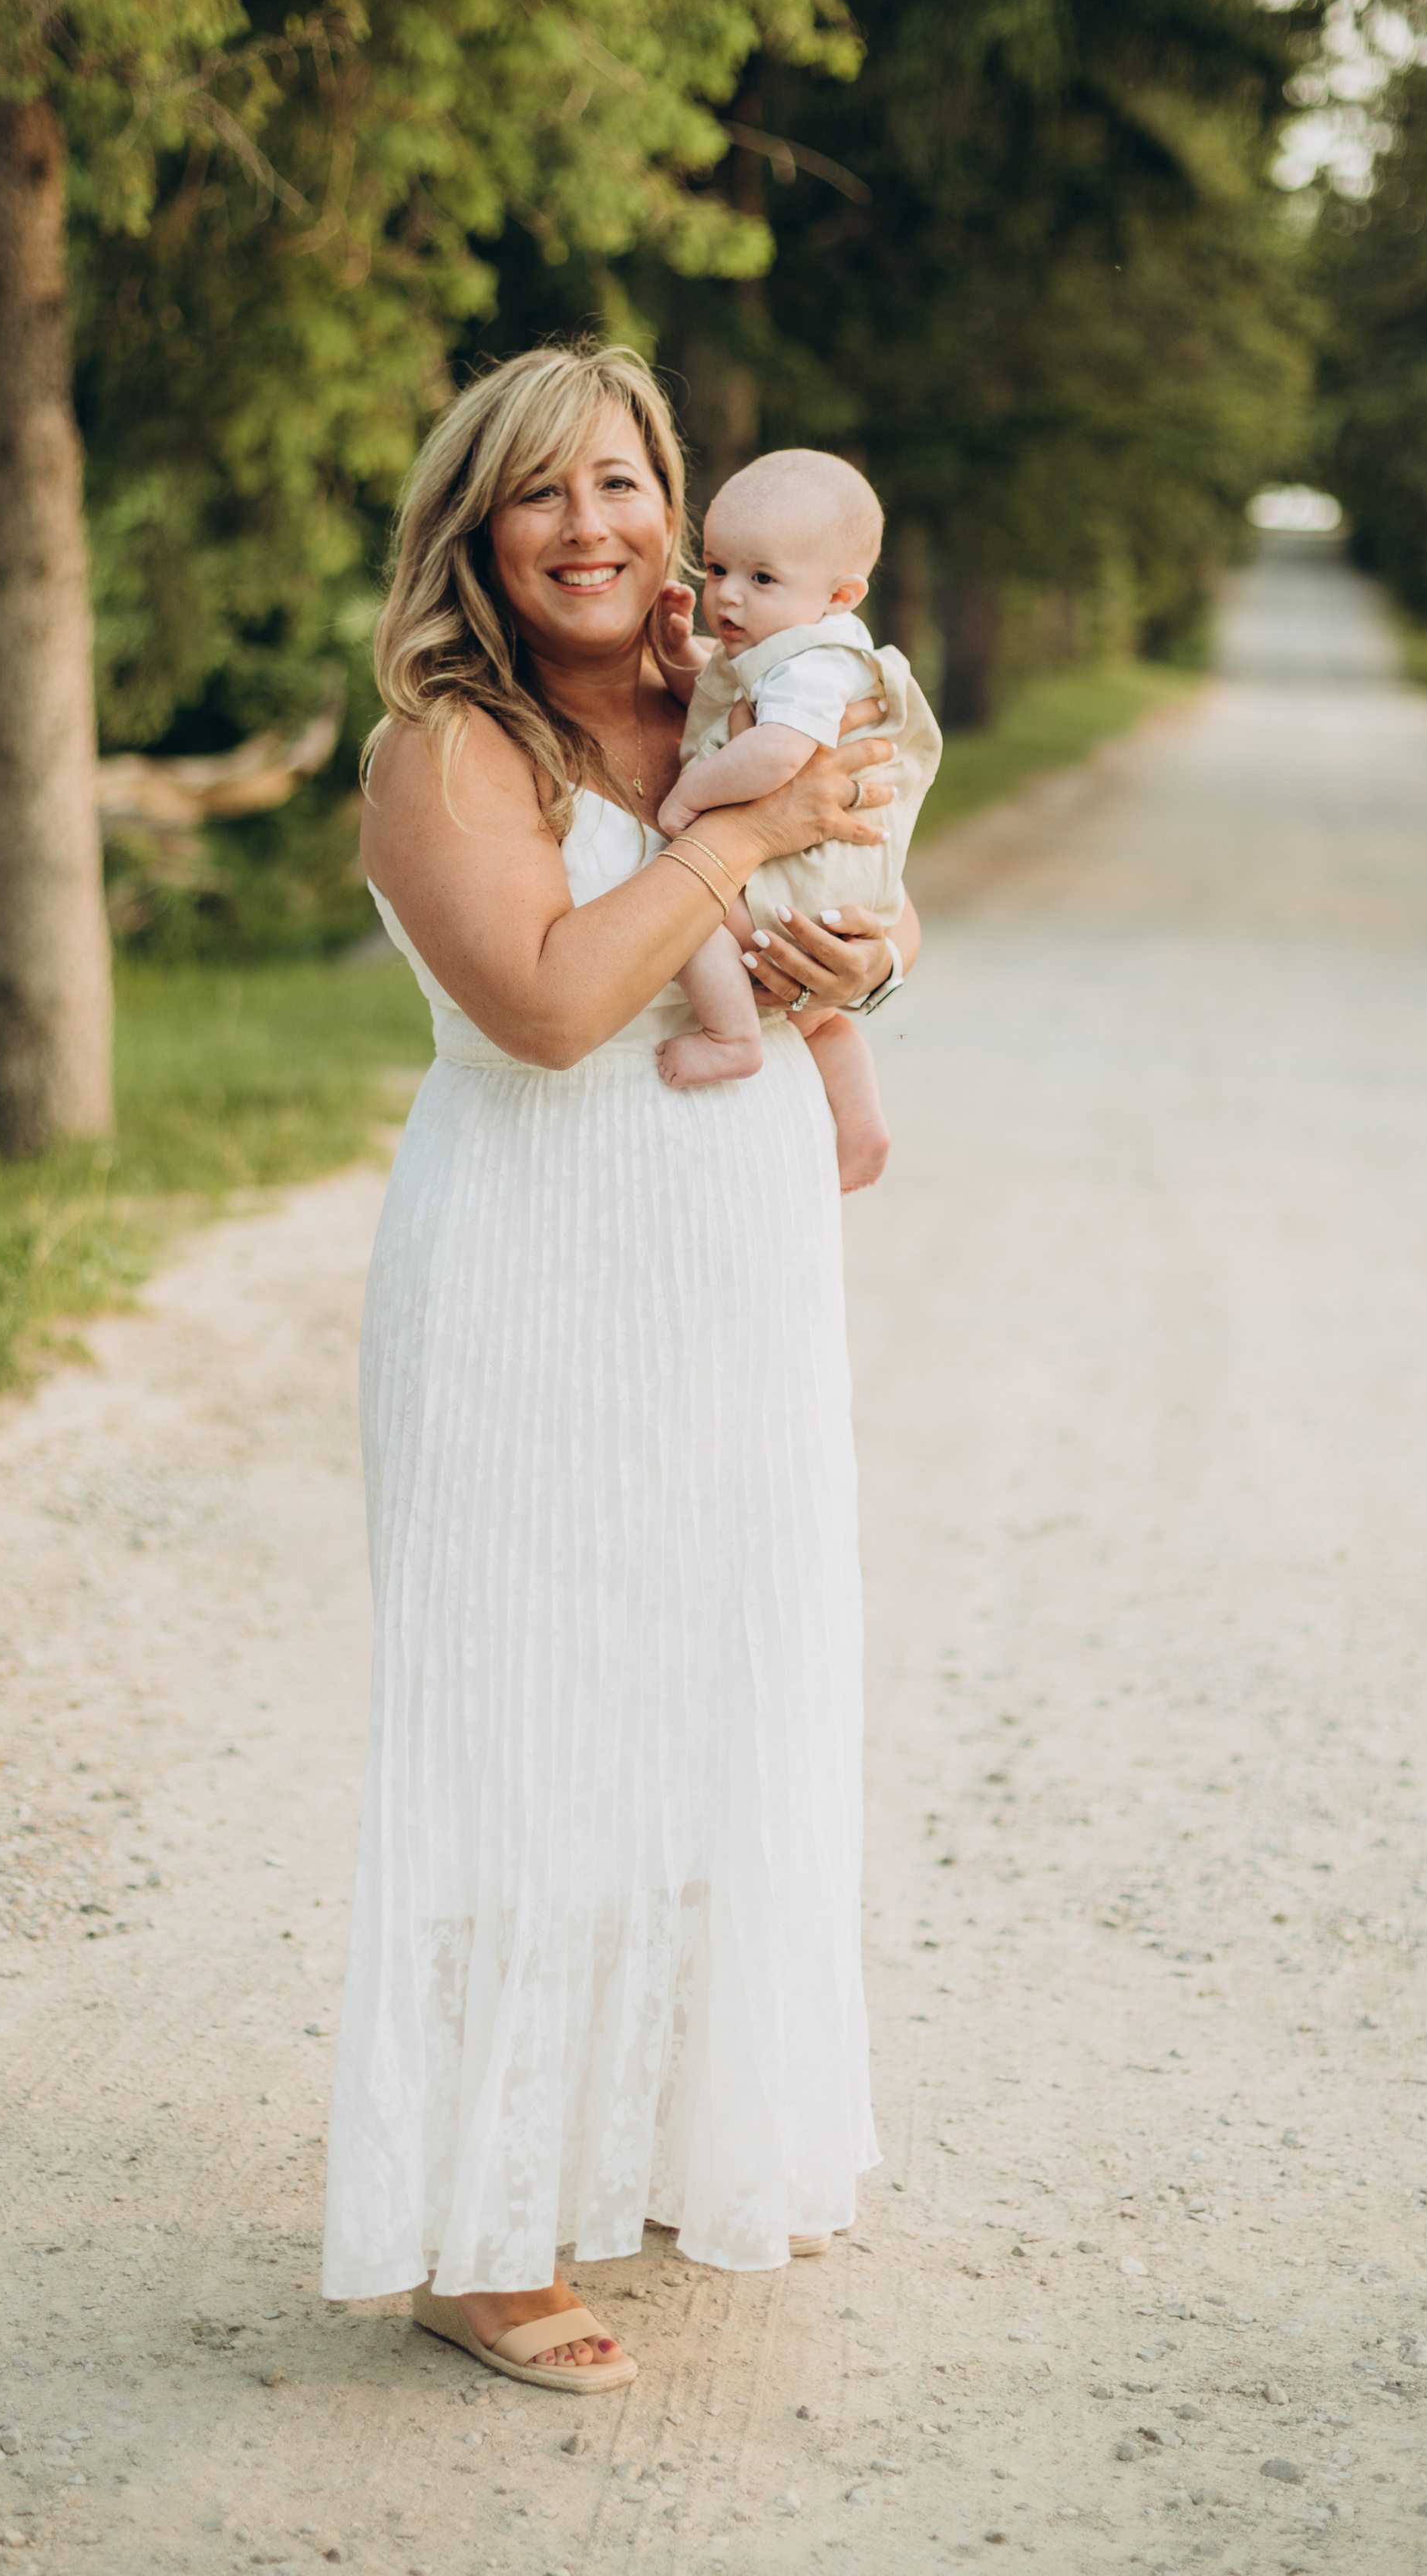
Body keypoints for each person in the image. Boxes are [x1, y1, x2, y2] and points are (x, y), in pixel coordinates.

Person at [320, 343, 919, 2396]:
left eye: (626, 485)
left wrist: (864, 959)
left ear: (682, 507)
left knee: (720, 1678)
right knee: (523, 1715)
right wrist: (743, 862)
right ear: (474, 533)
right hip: (524, 1267)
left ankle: (692, 2134)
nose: (593, 527)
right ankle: (475, 2234)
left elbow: (852, 878)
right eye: (539, 493)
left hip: (735, 1256)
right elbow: (562, 1005)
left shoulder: (733, 695)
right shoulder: (442, 752)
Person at [649, 447, 942, 1191]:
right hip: (841, 892)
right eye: (717, 570)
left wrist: (691, 798)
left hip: (795, 885)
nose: (729, 599)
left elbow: (776, 753)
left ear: (842, 595)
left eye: (762, 579)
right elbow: (720, 705)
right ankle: (864, 1126)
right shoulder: (796, 648)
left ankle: (731, 1036)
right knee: (818, 1019)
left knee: (684, 913)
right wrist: (683, 653)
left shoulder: (809, 666)